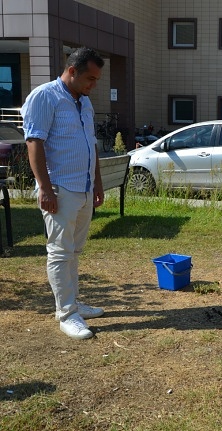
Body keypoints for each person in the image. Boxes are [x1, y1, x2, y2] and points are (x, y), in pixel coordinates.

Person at [21, 47, 106, 340]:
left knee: (75, 250)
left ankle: (74, 303)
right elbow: (35, 143)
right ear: (72, 71)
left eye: (96, 79)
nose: (93, 85)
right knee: (59, 252)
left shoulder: (84, 102)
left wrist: (96, 182)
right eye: (90, 79)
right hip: (59, 188)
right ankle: (67, 314)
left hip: (82, 188)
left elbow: (90, 143)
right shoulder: (45, 97)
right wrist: (45, 188)